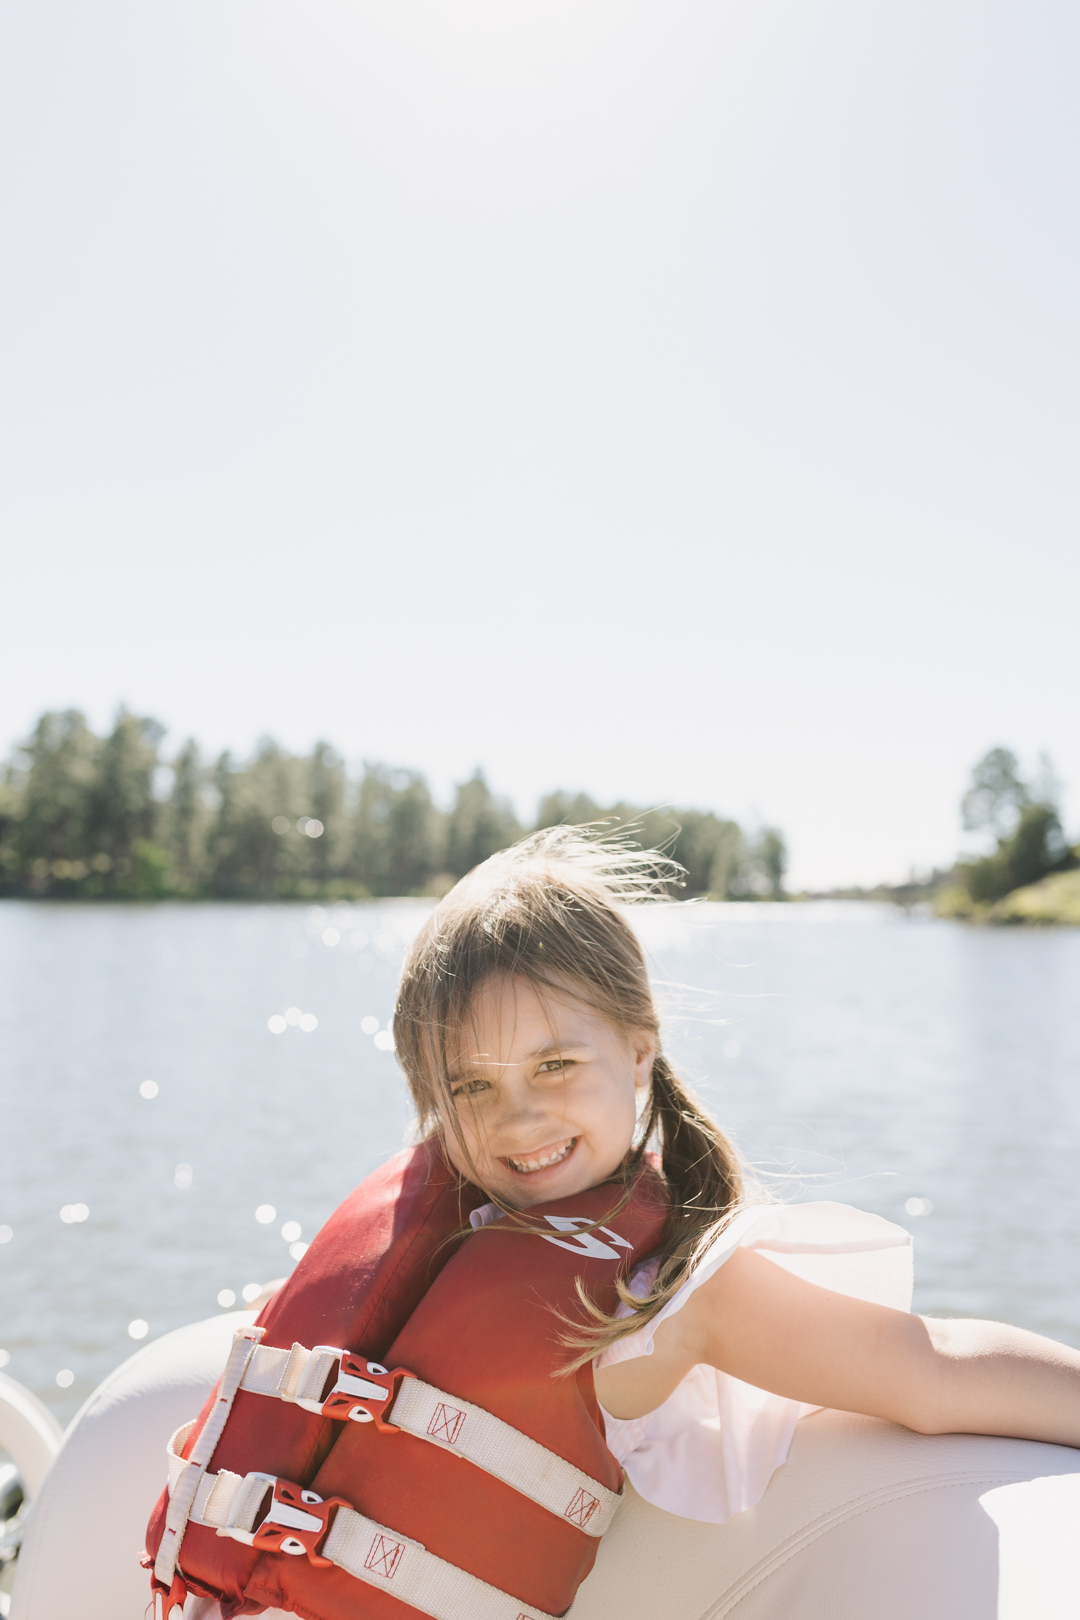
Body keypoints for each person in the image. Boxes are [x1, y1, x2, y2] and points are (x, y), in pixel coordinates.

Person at [392, 825, 1080, 1527]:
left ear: (638, 1053)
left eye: (555, 1065)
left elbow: (937, 1372)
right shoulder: (440, 1249)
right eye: (472, 1087)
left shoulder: (672, 1301)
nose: (519, 1120)